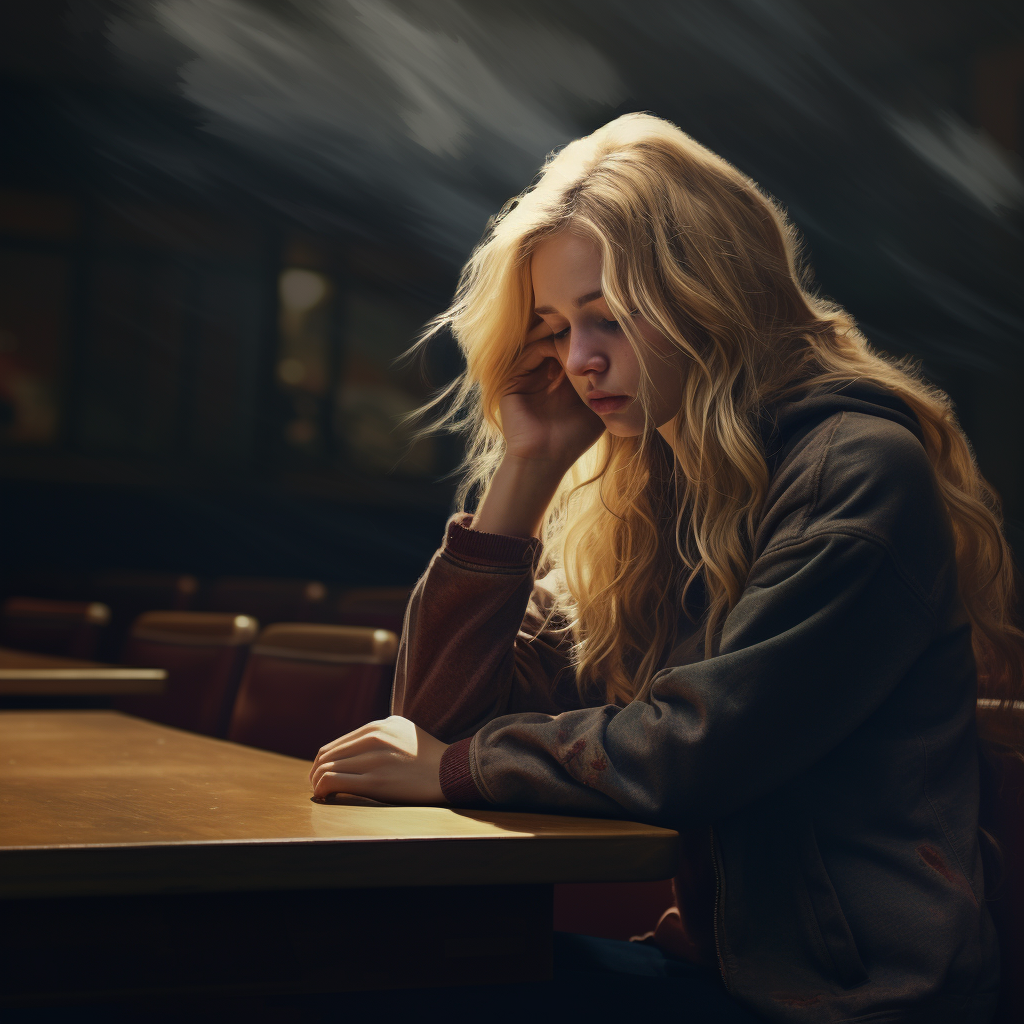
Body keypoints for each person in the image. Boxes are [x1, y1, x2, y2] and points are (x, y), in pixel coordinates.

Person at [309, 113, 1021, 1022]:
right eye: (557, 327)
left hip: (856, 1002)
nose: (578, 361)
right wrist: (526, 469)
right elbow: (436, 722)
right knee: (384, 968)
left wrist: (459, 768)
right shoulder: (662, 485)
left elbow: (698, 750)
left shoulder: (854, 467)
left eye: (607, 317)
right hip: (732, 972)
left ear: (709, 291)